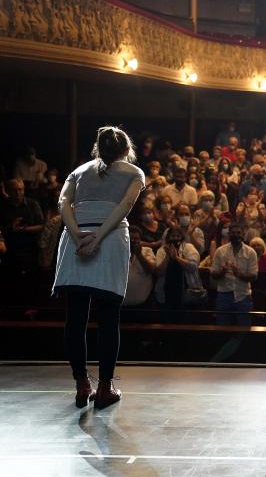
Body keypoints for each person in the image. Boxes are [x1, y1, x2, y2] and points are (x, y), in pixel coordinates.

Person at [52, 126, 145, 409]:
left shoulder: (78, 171)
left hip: (75, 238)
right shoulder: (134, 173)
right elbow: (125, 206)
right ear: (126, 150)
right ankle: (104, 387)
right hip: (110, 239)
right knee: (108, 318)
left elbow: (63, 202)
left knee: (75, 317)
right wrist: (99, 236)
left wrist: (77, 233)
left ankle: (81, 382)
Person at [211, 222, 258, 326]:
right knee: (222, 327)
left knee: (244, 328)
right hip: (224, 294)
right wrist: (222, 271)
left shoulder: (250, 252)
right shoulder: (220, 251)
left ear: (243, 234)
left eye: (238, 233)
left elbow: (254, 276)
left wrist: (239, 274)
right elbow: (213, 274)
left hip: (243, 295)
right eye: (233, 233)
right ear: (229, 234)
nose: (236, 235)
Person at [154, 225, 203, 320]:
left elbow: (193, 267)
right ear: (168, 238)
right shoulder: (162, 250)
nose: (175, 239)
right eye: (172, 236)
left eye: (177, 236)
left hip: (186, 292)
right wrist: (168, 256)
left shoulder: (188, 247)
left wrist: (176, 257)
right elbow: (159, 272)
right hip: (166, 292)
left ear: (182, 237)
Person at [1, 178, 45, 276]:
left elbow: (42, 226)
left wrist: (24, 229)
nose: (18, 193)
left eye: (20, 189)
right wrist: (11, 227)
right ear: (8, 191)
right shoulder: (3, 206)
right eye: (14, 190)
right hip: (10, 245)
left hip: (29, 245)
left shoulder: (32, 204)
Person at [123, 226, 155, 307]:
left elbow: (151, 270)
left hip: (143, 303)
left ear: (140, 239)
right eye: (131, 238)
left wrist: (139, 255)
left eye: (136, 238)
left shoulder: (147, 250)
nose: (133, 241)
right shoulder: (118, 251)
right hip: (121, 302)